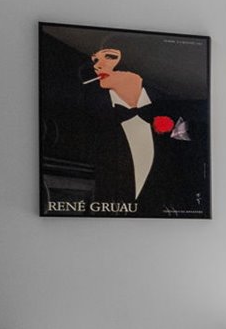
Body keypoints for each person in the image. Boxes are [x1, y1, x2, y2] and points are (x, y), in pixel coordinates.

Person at [81, 36, 205, 215]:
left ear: (137, 61)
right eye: (95, 59)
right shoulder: (89, 113)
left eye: (109, 57)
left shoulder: (182, 111)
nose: (97, 65)